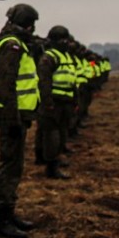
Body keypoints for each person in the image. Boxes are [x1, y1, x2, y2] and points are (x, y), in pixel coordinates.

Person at [0, 3, 41, 238]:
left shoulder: (17, 44)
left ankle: (9, 213)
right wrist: (12, 120)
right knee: (10, 166)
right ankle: (3, 218)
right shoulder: (11, 46)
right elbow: (7, 86)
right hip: (13, 118)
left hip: (18, 117)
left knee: (14, 166)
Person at [35, 26, 76, 180]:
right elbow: (44, 82)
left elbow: (72, 80)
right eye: (63, 39)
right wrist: (48, 102)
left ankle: (55, 161)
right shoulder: (49, 57)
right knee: (51, 136)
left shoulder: (66, 57)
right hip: (54, 102)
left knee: (61, 134)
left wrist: (75, 100)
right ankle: (51, 167)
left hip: (66, 102)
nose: (67, 43)